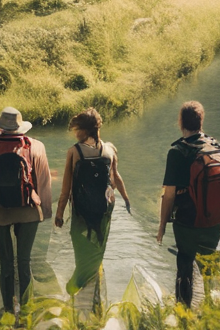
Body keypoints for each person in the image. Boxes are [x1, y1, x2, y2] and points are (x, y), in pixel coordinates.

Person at [156, 101, 220, 307]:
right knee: (210, 270)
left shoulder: (177, 152)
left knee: (185, 269)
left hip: (187, 223)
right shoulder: (215, 147)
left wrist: (162, 225)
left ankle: (184, 315)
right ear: (201, 121)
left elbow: (169, 195)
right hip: (214, 221)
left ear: (180, 122)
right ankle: (214, 312)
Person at [0, 106, 53, 315]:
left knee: (6, 265)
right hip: (28, 211)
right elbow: (44, 182)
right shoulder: (36, 146)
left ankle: (8, 311)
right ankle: (27, 311)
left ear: (1, 127)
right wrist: (45, 212)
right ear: (21, 126)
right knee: (24, 262)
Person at [53, 108, 131, 299]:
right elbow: (116, 177)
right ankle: (95, 296)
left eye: (77, 129)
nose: (75, 133)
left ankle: (74, 290)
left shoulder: (74, 152)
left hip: (81, 214)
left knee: (82, 256)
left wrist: (60, 213)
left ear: (85, 131)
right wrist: (126, 199)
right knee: (97, 254)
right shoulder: (110, 150)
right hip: (104, 213)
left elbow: (66, 188)